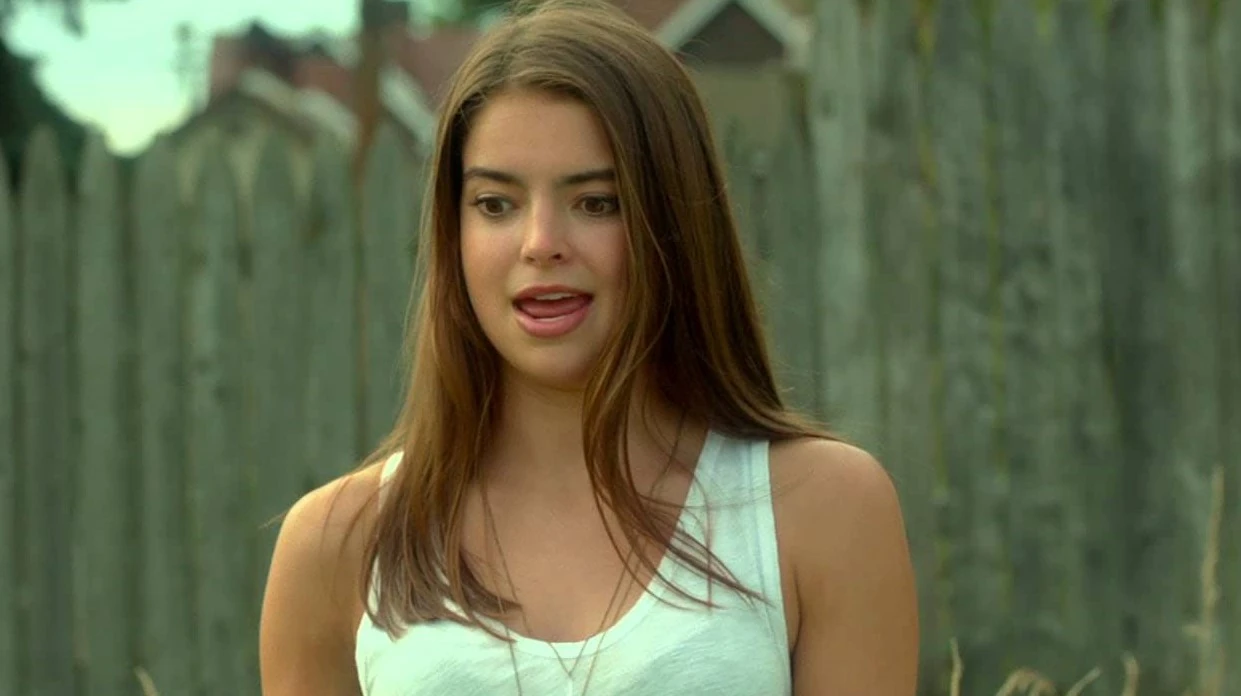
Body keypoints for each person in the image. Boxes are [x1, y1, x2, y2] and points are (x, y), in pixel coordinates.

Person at [259, 0, 918, 693]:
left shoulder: (820, 510)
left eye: (597, 202)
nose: (541, 243)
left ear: (673, 223)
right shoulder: (336, 545)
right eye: (495, 204)